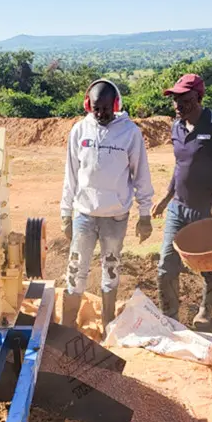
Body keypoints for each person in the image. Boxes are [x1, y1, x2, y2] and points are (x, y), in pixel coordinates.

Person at [60, 78, 154, 334]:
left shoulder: (130, 133)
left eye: (105, 108)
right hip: (84, 216)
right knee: (75, 269)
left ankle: (107, 326)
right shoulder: (80, 131)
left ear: (116, 104)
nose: (100, 113)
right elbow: (71, 174)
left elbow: (140, 174)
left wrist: (145, 214)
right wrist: (66, 212)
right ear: (88, 105)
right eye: (95, 108)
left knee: (110, 270)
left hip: (115, 217)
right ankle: (67, 327)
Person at [152, 74, 212, 329]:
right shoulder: (176, 127)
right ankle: (171, 318)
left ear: (198, 98)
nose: (177, 106)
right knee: (166, 266)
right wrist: (166, 197)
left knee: (209, 266)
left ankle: (205, 311)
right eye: (175, 100)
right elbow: (179, 165)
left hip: (205, 210)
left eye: (183, 100)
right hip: (179, 207)